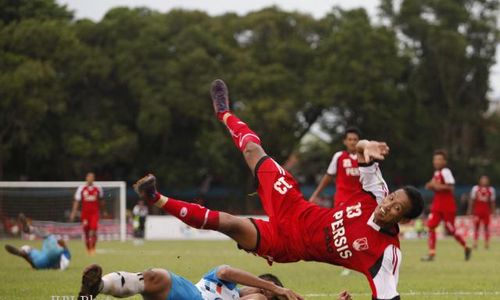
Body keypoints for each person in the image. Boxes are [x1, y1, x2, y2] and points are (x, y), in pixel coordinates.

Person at [134, 79, 424, 300]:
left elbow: (388, 296)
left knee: (230, 223)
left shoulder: (386, 254)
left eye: (397, 208)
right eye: (392, 197)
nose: (387, 204)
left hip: (288, 243)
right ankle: (224, 113)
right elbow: (362, 153)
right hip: (294, 205)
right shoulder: (376, 193)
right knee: (252, 150)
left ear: (404, 220)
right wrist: (365, 144)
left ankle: (155, 198)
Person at [77, 263, 303, 300]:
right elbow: (226, 270)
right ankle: (96, 288)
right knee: (155, 275)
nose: (264, 294)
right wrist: (272, 287)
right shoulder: (223, 280)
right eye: (263, 287)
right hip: (190, 294)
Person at [421, 150, 471, 262]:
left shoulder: (446, 171)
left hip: (447, 205)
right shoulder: (436, 173)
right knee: (431, 226)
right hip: (437, 204)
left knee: (451, 229)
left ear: (444, 161)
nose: (436, 161)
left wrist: (437, 186)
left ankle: (466, 246)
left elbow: (451, 187)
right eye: (435, 159)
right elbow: (431, 185)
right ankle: (431, 253)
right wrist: (430, 186)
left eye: (439, 159)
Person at [309, 127, 362, 207]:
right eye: (350, 139)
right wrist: (315, 195)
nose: (352, 142)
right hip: (342, 201)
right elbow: (328, 177)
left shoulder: (364, 158)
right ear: (345, 141)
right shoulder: (339, 156)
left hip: (360, 201)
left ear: (359, 142)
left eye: (355, 140)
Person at [4, 214, 71, 270]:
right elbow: (64, 263)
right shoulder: (41, 263)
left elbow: (66, 254)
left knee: (46, 235)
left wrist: (64, 246)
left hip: (50, 255)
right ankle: (23, 254)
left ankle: (29, 230)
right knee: (31, 251)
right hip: (45, 263)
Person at [70, 172, 106, 256]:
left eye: (92, 177)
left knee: (93, 231)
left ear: (94, 179)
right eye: (89, 177)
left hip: (94, 213)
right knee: (86, 232)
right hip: (85, 214)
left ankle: (93, 248)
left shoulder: (98, 188)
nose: (90, 178)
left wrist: (104, 211)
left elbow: (102, 201)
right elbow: (77, 201)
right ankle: (88, 249)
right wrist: (73, 213)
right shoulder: (81, 188)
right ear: (86, 178)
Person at [468, 175, 496, 249]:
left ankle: (486, 243)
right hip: (477, 211)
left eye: (485, 180)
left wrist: (493, 211)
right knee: (476, 227)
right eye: (483, 180)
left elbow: (492, 202)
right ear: (480, 181)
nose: (484, 181)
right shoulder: (475, 189)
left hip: (486, 212)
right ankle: (475, 242)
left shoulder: (491, 190)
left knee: (486, 227)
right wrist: (470, 210)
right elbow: (472, 200)